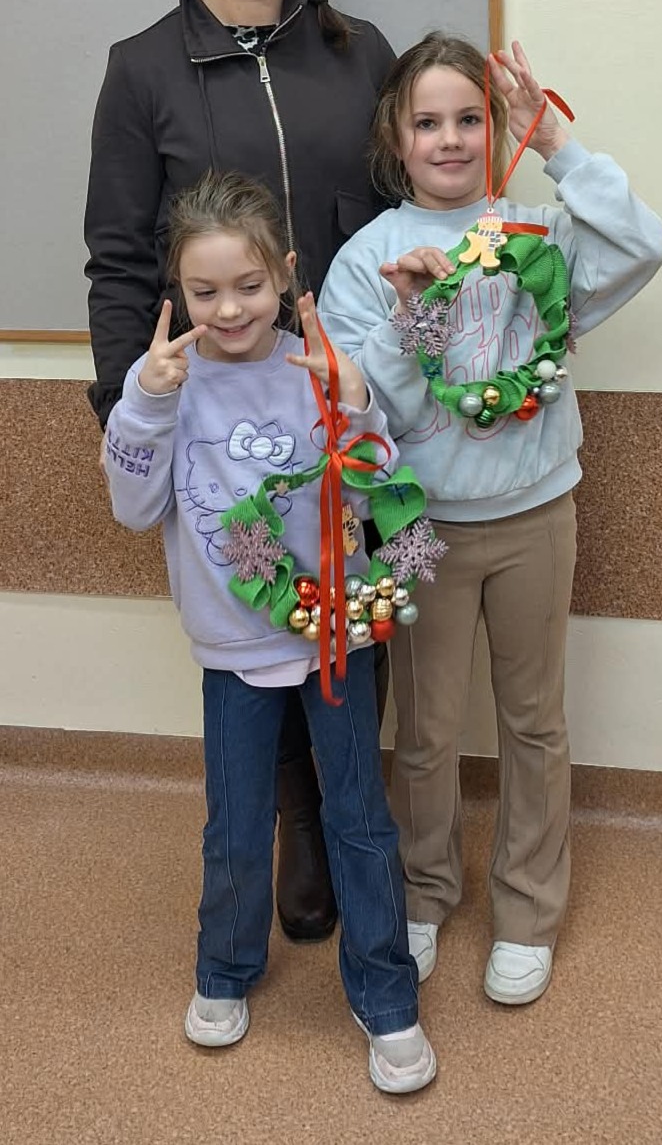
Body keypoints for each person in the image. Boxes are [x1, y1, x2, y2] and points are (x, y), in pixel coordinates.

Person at [84, 0, 396, 944]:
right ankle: (290, 818)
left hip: (343, 413)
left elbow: (405, 213)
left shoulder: (360, 54)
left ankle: (342, 812)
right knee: (254, 625)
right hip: (218, 428)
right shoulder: (141, 70)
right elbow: (119, 259)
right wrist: (129, 411)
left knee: (354, 616)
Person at [318, 33, 662, 1005]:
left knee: (532, 720)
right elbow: (365, 416)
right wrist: (412, 321)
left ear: (493, 127)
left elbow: (642, 246)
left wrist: (555, 143)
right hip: (419, 520)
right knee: (426, 727)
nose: (449, 138)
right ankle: (425, 891)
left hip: (533, 512)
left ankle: (526, 908)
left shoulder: (539, 231)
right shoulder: (367, 257)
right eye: (426, 121)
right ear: (394, 136)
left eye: (469, 118)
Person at [103, 171, 436, 1093]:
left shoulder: (319, 365)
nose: (228, 309)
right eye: (204, 291)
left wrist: (355, 403)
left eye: (249, 286)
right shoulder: (165, 384)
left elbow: (381, 495)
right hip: (233, 645)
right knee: (237, 823)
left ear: (286, 274)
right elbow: (133, 509)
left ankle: (385, 994)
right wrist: (147, 404)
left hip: (337, 638)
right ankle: (224, 970)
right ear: (177, 291)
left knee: (359, 819)